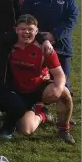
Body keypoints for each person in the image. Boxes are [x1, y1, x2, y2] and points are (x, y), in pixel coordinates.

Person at [9, 15, 75, 144]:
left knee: (64, 93)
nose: (26, 32)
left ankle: (64, 129)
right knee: (26, 130)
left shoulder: (45, 48)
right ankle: (43, 114)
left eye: (30, 29)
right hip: (19, 93)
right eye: (22, 29)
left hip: (39, 88)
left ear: (36, 31)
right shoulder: (8, 46)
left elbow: (59, 74)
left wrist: (59, 88)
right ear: (16, 30)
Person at [20, 0, 79, 91]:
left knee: (62, 85)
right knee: (37, 83)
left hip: (62, 46)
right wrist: (41, 38)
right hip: (38, 46)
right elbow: (25, 22)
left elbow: (71, 20)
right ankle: (39, 109)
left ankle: (64, 108)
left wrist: (54, 35)